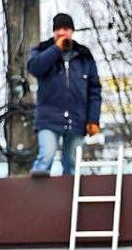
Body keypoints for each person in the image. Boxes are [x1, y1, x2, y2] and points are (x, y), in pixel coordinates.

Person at [27, 13, 102, 177]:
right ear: (53, 32)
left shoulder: (84, 56)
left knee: (72, 163)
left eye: (65, 29)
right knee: (45, 158)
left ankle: (68, 200)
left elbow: (94, 91)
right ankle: (36, 198)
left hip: (77, 119)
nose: (62, 32)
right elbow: (35, 68)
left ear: (72, 31)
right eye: (58, 29)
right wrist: (56, 49)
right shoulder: (42, 50)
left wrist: (93, 119)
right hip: (49, 118)